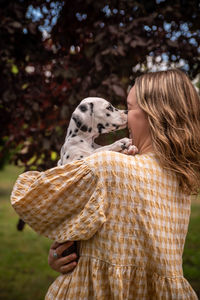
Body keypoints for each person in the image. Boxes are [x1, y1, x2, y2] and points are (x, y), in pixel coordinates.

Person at [11, 69, 200, 299]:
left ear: (153, 114)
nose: (124, 117)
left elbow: (29, 199)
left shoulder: (108, 167)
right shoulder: (179, 179)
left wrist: (61, 254)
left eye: (129, 109)